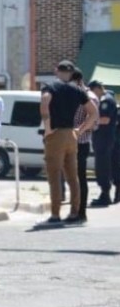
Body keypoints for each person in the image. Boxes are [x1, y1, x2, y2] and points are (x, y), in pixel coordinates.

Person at [40, 60, 98, 225]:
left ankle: (55, 214)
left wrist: (47, 127)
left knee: (54, 175)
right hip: (71, 135)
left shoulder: (50, 87)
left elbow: (45, 102)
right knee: (73, 177)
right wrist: (80, 130)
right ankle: (74, 212)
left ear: (56, 71)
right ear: (71, 73)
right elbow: (94, 113)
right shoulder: (78, 90)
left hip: (56, 134)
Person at [69, 70, 98, 220]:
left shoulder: (89, 96)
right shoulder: (72, 94)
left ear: (78, 81)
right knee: (72, 178)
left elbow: (94, 121)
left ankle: (81, 212)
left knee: (79, 178)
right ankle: (74, 210)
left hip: (80, 142)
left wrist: (79, 131)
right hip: (69, 141)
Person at [88, 80, 117, 207]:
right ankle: (105, 194)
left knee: (103, 167)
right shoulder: (104, 99)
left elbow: (105, 119)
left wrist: (90, 121)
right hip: (102, 139)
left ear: (98, 89)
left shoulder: (106, 100)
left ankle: (105, 195)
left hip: (104, 139)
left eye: (92, 91)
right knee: (103, 166)